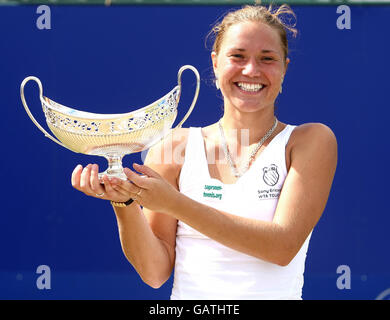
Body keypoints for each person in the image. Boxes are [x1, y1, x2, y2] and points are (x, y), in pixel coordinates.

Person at [71, 4, 337, 300]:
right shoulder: (175, 146)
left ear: (285, 67)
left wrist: (175, 204)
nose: (251, 70)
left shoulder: (310, 141)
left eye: (267, 59)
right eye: (237, 56)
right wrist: (125, 204)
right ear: (215, 63)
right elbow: (154, 273)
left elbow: (282, 247)